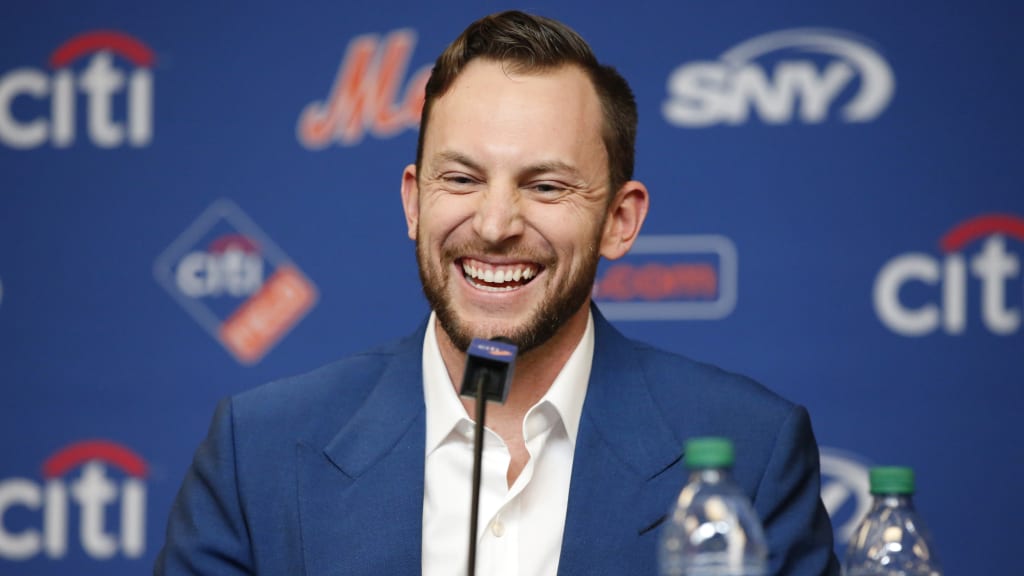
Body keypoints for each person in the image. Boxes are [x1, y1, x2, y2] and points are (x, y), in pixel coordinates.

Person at [156, 10, 840, 576]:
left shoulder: (751, 451)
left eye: (546, 186)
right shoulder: (261, 451)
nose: (494, 225)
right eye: (460, 179)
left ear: (621, 220)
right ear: (413, 202)